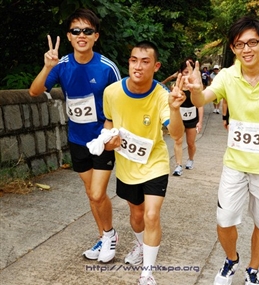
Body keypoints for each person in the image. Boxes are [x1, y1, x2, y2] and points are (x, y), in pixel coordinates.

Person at [184, 16, 259, 285]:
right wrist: (195, 90)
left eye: (253, 42)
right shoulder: (228, 75)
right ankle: (231, 260)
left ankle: (253, 270)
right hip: (235, 163)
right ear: (233, 48)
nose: (247, 49)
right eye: (240, 44)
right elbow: (203, 99)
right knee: (225, 218)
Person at [29, 8, 121, 263]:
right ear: (69, 36)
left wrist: (111, 132)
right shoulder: (61, 65)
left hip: (102, 139)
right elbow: (35, 91)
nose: (82, 35)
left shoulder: (106, 67)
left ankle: (110, 235)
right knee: (90, 193)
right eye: (76, 31)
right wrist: (47, 67)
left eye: (87, 31)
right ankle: (105, 235)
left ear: (96, 36)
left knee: (97, 193)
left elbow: (120, 101)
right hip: (77, 139)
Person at [102, 41, 185, 285]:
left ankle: (147, 273)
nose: (138, 66)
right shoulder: (112, 92)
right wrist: (107, 142)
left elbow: (177, 134)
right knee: (136, 214)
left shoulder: (162, 96)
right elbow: (108, 124)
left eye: (145, 61)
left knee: (151, 215)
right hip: (127, 165)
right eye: (133, 60)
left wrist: (175, 108)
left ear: (156, 66)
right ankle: (141, 245)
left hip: (155, 164)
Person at [172, 57, 204, 176]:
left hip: (192, 118)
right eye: (185, 72)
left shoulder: (196, 86)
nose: (187, 75)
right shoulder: (176, 85)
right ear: (180, 72)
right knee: (178, 141)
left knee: (190, 143)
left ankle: (190, 159)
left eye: (189, 72)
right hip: (179, 118)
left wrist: (200, 122)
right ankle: (178, 165)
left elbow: (200, 105)